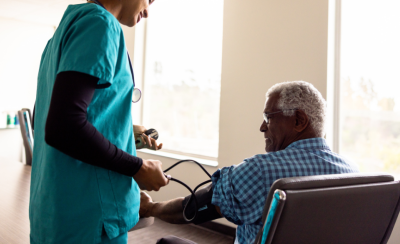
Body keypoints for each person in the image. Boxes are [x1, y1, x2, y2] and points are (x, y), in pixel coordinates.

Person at [30, 0, 169, 244]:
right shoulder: (101, 25)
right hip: (89, 218)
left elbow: (50, 116)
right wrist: (138, 166)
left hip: (56, 211)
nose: (148, 10)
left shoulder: (63, 32)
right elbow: (63, 126)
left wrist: (128, 132)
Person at [139, 81, 360, 244]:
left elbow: (190, 210)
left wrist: (150, 207)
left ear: (299, 121)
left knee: (167, 243)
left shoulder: (261, 171)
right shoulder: (352, 173)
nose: (262, 127)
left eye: (268, 117)